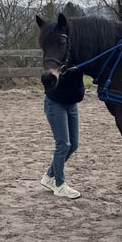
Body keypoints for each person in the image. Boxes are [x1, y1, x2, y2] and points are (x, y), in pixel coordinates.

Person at [40, 67, 85, 199]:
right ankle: (59, 185)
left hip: (72, 104)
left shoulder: (78, 57)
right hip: (55, 104)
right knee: (63, 144)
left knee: (74, 145)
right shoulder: (58, 59)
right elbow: (46, 77)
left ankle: (49, 176)